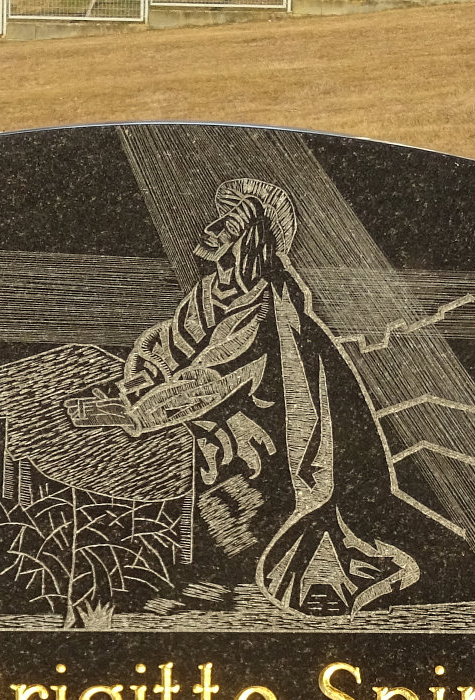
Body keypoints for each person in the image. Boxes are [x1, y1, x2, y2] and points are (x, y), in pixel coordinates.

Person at [66, 178, 419, 617]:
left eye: (226, 226)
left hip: (273, 430)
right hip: (219, 420)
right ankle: (198, 580)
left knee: (220, 477)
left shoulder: (266, 304)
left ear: (249, 241)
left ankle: (216, 581)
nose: (210, 229)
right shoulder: (209, 292)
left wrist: (138, 415)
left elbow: (212, 378)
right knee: (190, 463)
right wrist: (136, 384)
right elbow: (167, 346)